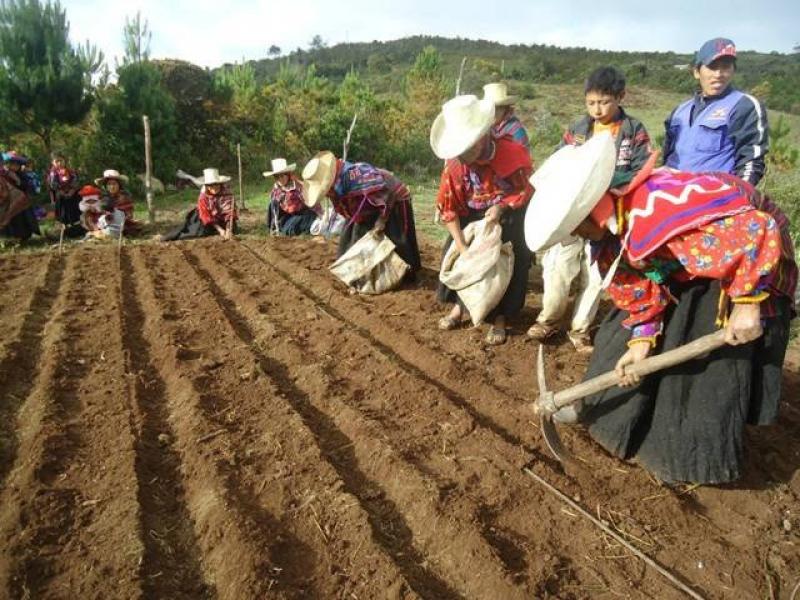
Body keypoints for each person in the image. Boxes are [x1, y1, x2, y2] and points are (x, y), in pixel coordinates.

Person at [525, 133, 797, 485]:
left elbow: (756, 230)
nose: (572, 234)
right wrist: (641, 340)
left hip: (743, 256)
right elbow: (636, 291)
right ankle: (604, 413)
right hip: (690, 260)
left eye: (573, 227)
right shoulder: (608, 235)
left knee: (699, 350)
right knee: (616, 335)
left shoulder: (659, 206)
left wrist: (746, 302)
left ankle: (684, 458)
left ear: (590, 210)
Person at [528, 66, 652, 353]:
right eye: (591, 102)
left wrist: (609, 183)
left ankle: (580, 329)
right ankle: (549, 319)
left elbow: (641, 170)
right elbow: (561, 159)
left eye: (604, 102)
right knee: (557, 268)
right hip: (571, 213)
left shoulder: (633, 131)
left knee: (595, 275)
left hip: (610, 215)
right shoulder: (578, 129)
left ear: (620, 97)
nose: (597, 109)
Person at [431, 94, 534, 345]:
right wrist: (462, 246)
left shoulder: (512, 152)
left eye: (470, 148)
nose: (465, 155)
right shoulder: (455, 167)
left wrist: (501, 207)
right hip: (471, 217)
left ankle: (501, 318)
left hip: (508, 217)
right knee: (459, 258)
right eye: (460, 150)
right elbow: (448, 209)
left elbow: (525, 189)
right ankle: (460, 307)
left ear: (482, 136)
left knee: (509, 262)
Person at [663, 37, 768, 185]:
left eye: (725, 67)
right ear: (697, 72)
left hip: (712, 197)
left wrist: (737, 197)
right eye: (712, 67)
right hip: (671, 191)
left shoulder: (743, 105)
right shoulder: (680, 111)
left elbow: (751, 162)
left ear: (733, 71)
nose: (718, 74)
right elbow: (667, 154)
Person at [301, 150, 421, 276]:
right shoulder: (336, 186)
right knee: (350, 242)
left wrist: (382, 220)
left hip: (391, 199)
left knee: (396, 241)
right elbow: (350, 209)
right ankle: (357, 273)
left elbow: (387, 194)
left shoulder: (356, 178)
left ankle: (405, 273)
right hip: (365, 207)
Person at [161, 168, 237, 241]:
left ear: (220, 184)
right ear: (207, 186)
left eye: (216, 184)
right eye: (210, 185)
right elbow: (205, 215)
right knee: (199, 232)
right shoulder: (203, 196)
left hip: (222, 219)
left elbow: (229, 213)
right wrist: (220, 230)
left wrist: (228, 230)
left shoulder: (227, 194)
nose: (214, 187)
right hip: (208, 219)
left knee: (232, 228)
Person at [264, 158, 318, 236]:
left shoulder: (298, 186)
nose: (280, 179)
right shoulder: (276, 191)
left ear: (288, 175)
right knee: (290, 227)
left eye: (282, 176)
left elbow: (310, 197)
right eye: (276, 177)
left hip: (302, 214)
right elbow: (274, 213)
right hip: (285, 219)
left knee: (309, 216)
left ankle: (312, 224)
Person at [0, 151, 41, 242]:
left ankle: (24, 236)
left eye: (16, 164)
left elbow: (27, 186)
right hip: (9, 202)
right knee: (11, 220)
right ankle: (11, 237)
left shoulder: (22, 175)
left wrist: (19, 182)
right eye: (11, 164)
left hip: (21, 202)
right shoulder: (5, 174)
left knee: (23, 220)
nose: (14, 166)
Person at [483, 82, 530, 150]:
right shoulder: (487, 128)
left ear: (505, 109)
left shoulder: (516, 131)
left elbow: (521, 156)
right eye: (489, 109)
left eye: (496, 109)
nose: (492, 113)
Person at [94, 169, 141, 235]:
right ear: (106, 186)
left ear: (119, 185)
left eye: (114, 184)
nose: (112, 187)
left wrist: (115, 213)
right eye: (109, 184)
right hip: (105, 224)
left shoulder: (125, 197)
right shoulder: (102, 198)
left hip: (122, 225)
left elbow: (128, 215)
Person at [48, 153, 83, 236]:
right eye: (57, 161)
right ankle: (64, 229)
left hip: (73, 195)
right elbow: (53, 184)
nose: (59, 163)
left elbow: (75, 181)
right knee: (63, 213)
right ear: (53, 163)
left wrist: (72, 191)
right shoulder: (53, 173)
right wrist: (61, 192)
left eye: (61, 161)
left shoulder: (71, 171)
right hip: (61, 196)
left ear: (64, 161)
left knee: (74, 211)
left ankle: (76, 228)